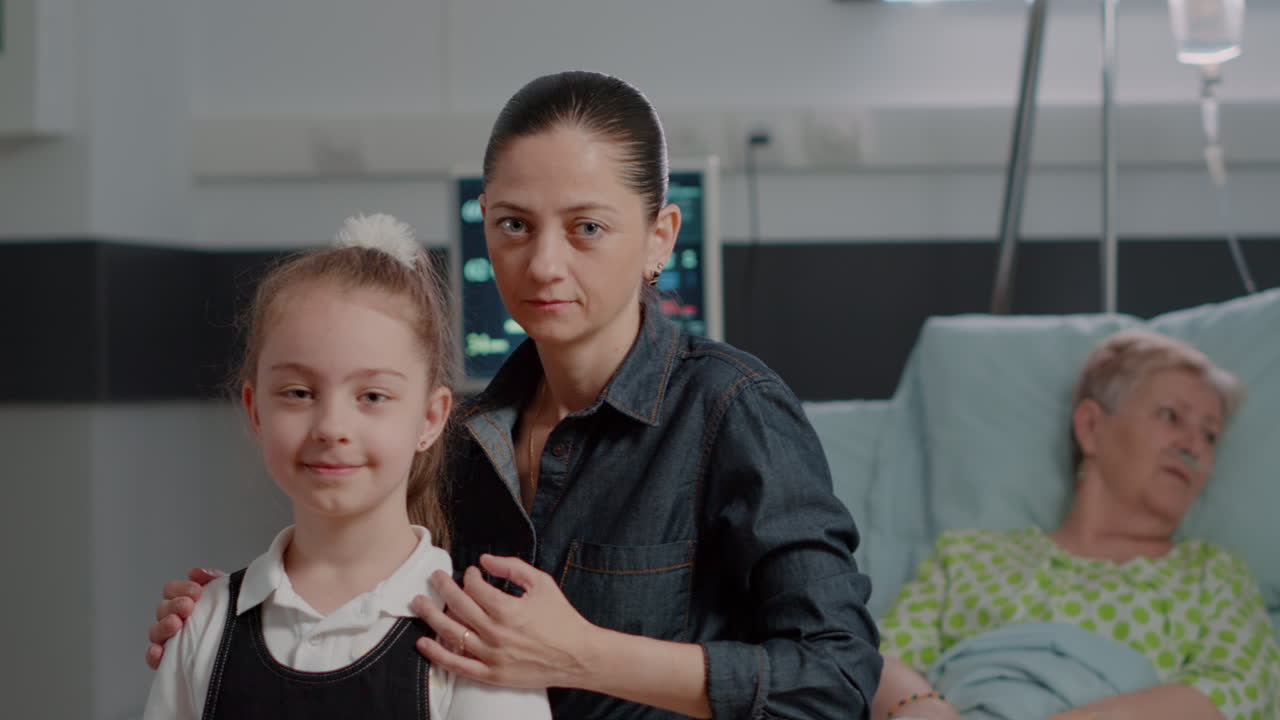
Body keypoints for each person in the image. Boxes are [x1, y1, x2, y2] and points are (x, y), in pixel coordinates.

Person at [146, 71, 883, 719]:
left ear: (660, 238)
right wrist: (242, 627)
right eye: (513, 226)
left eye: (586, 227)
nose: (542, 264)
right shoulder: (464, 440)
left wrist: (583, 655)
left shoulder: (730, 407)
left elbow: (837, 677)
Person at [142, 214, 552, 719]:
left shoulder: (475, 635)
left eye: (373, 395)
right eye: (298, 393)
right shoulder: (203, 623)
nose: (331, 426)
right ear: (254, 411)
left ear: (430, 418)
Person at [872, 329, 1280, 720]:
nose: (1193, 445)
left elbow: (1242, 687)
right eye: (1171, 416)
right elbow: (883, 658)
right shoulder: (968, 557)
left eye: (1210, 436)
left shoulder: (1211, 575)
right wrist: (922, 708)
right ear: (1091, 426)